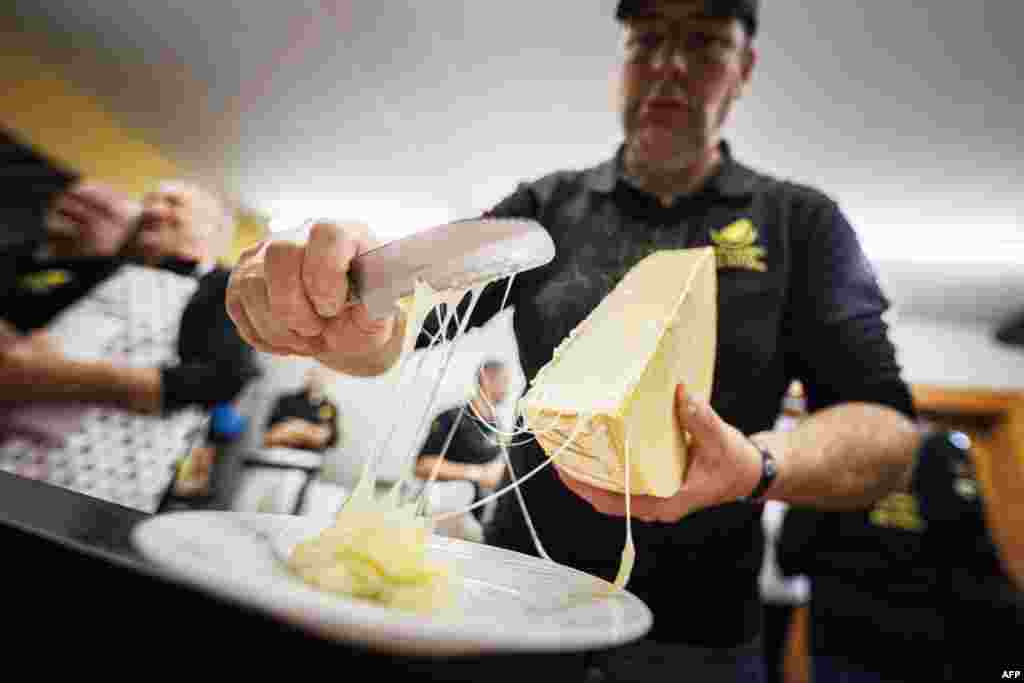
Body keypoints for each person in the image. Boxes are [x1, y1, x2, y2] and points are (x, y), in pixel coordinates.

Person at [225, 0, 920, 678]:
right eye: (646, 42)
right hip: (514, 599)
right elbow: (399, 331)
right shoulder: (544, 207)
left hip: (698, 638)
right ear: (620, 65)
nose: (669, 66)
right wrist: (330, 308)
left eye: (705, 43)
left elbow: (886, 430)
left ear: (744, 68)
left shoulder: (803, 223)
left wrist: (758, 465)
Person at [1, 179, 260, 510]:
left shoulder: (220, 288)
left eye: (173, 204)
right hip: (11, 454)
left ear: (211, 228)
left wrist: (52, 375)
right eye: (150, 200)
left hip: (97, 483)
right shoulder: (101, 269)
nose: (152, 209)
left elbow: (221, 379)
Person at [415, 359, 511, 517]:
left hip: (480, 515)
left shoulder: (498, 428)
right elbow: (423, 466)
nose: (508, 388)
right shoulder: (451, 418)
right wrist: (477, 473)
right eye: (505, 381)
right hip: (445, 511)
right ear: (486, 378)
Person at [263, 364, 341, 452]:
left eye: (321, 376)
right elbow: (271, 431)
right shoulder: (286, 400)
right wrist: (308, 431)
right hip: (280, 454)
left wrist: (298, 428)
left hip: (311, 459)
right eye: (313, 375)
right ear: (307, 377)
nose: (316, 379)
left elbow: (330, 439)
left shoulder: (330, 407)